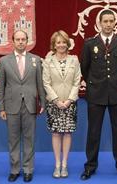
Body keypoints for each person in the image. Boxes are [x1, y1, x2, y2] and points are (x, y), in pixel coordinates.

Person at [80, 9, 117, 182]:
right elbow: (85, 68)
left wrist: (116, 82)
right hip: (96, 94)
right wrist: (96, 83)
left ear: (115, 23)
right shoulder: (89, 43)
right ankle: (90, 166)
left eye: (111, 21)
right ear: (99, 23)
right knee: (93, 132)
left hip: (116, 93)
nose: (108, 24)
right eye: (105, 21)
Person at [0, 30, 46, 182]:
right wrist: (1, 108)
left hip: (30, 104)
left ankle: (28, 169)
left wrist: (43, 102)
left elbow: (39, 83)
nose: (20, 42)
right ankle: (14, 169)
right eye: (17, 39)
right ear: (13, 41)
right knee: (13, 139)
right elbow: (1, 85)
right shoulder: (4, 61)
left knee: (29, 138)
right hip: (11, 105)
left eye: (23, 39)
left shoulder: (36, 59)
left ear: (27, 41)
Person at [42, 30, 81, 178]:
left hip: (70, 103)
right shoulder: (48, 61)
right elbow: (46, 82)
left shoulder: (74, 60)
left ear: (68, 44)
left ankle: (65, 165)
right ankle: (57, 164)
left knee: (67, 133)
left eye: (64, 42)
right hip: (54, 103)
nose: (61, 45)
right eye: (58, 42)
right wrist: (56, 100)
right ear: (54, 44)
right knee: (56, 133)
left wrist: (70, 100)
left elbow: (77, 81)